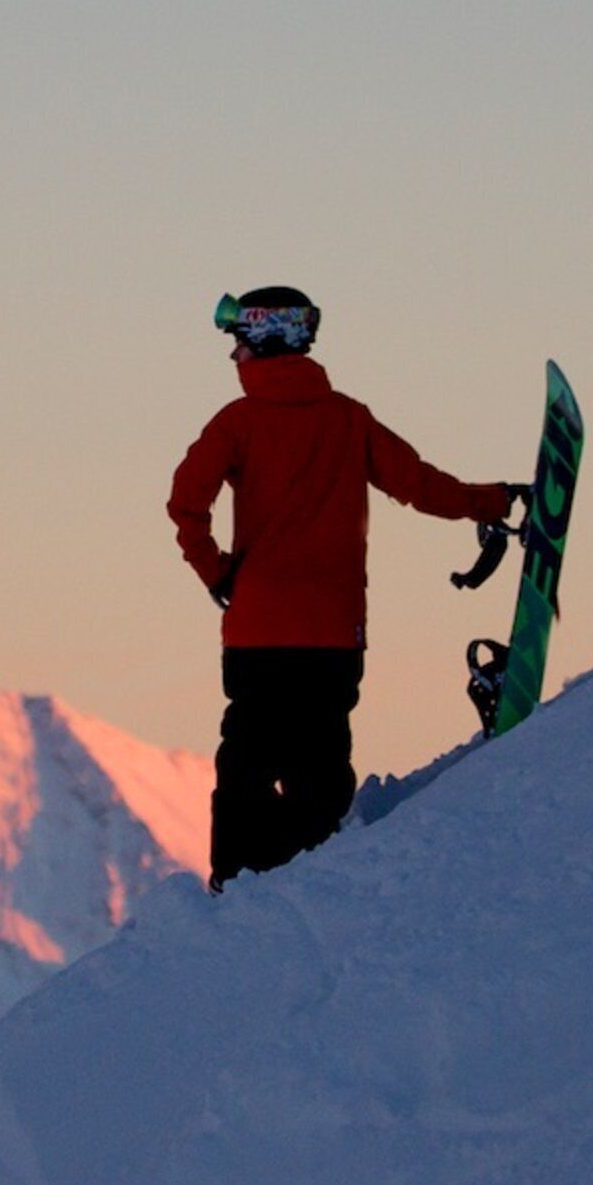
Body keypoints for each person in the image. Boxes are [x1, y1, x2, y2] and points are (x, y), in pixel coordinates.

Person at [167, 287, 519, 888]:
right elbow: (419, 485)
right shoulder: (349, 419)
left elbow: (184, 504)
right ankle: (311, 877)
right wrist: (496, 500)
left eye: (239, 343)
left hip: (257, 632)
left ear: (265, 342)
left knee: (248, 760)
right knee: (321, 763)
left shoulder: (236, 423)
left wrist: (215, 571)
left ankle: (237, 887)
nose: (233, 356)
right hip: (334, 632)